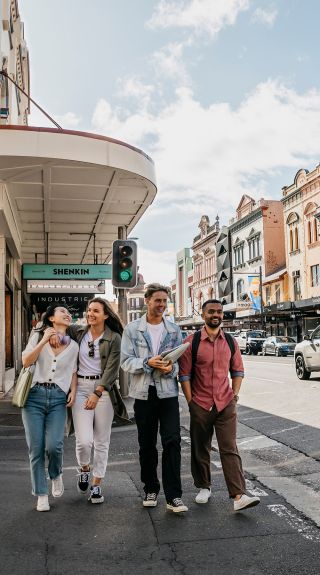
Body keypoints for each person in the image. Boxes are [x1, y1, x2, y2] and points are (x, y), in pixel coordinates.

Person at [179, 299, 260, 511]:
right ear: (203, 315)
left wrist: (234, 396)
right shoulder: (192, 341)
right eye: (211, 311)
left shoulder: (231, 342)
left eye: (219, 312)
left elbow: (238, 371)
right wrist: (191, 402)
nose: (216, 315)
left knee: (229, 448)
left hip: (225, 404)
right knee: (200, 447)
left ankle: (238, 496)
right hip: (201, 403)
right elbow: (184, 375)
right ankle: (203, 486)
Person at [120, 283, 188, 513]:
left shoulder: (174, 330)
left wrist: (172, 370)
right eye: (157, 300)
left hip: (168, 392)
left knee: (172, 441)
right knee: (147, 444)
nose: (161, 305)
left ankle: (174, 496)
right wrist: (147, 363)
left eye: (164, 301)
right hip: (143, 392)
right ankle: (150, 488)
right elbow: (126, 362)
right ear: (147, 301)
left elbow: (179, 362)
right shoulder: (132, 329)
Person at [21, 305, 78, 512]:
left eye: (69, 313)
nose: (67, 314)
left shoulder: (73, 346)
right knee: (35, 448)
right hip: (33, 397)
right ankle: (41, 493)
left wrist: (72, 390)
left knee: (54, 445)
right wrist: (45, 339)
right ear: (52, 319)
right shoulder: (37, 336)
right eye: (62, 311)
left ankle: (56, 474)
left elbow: (73, 370)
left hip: (57, 398)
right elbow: (26, 360)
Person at [69, 297, 123, 504]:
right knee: (84, 440)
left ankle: (97, 486)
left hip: (104, 392)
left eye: (96, 311)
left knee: (101, 441)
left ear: (106, 315)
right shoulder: (78, 332)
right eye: (89, 310)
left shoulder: (114, 338)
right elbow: (54, 324)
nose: (90, 314)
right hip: (81, 388)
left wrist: (98, 392)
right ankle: (84, 468)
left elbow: (112, 369)